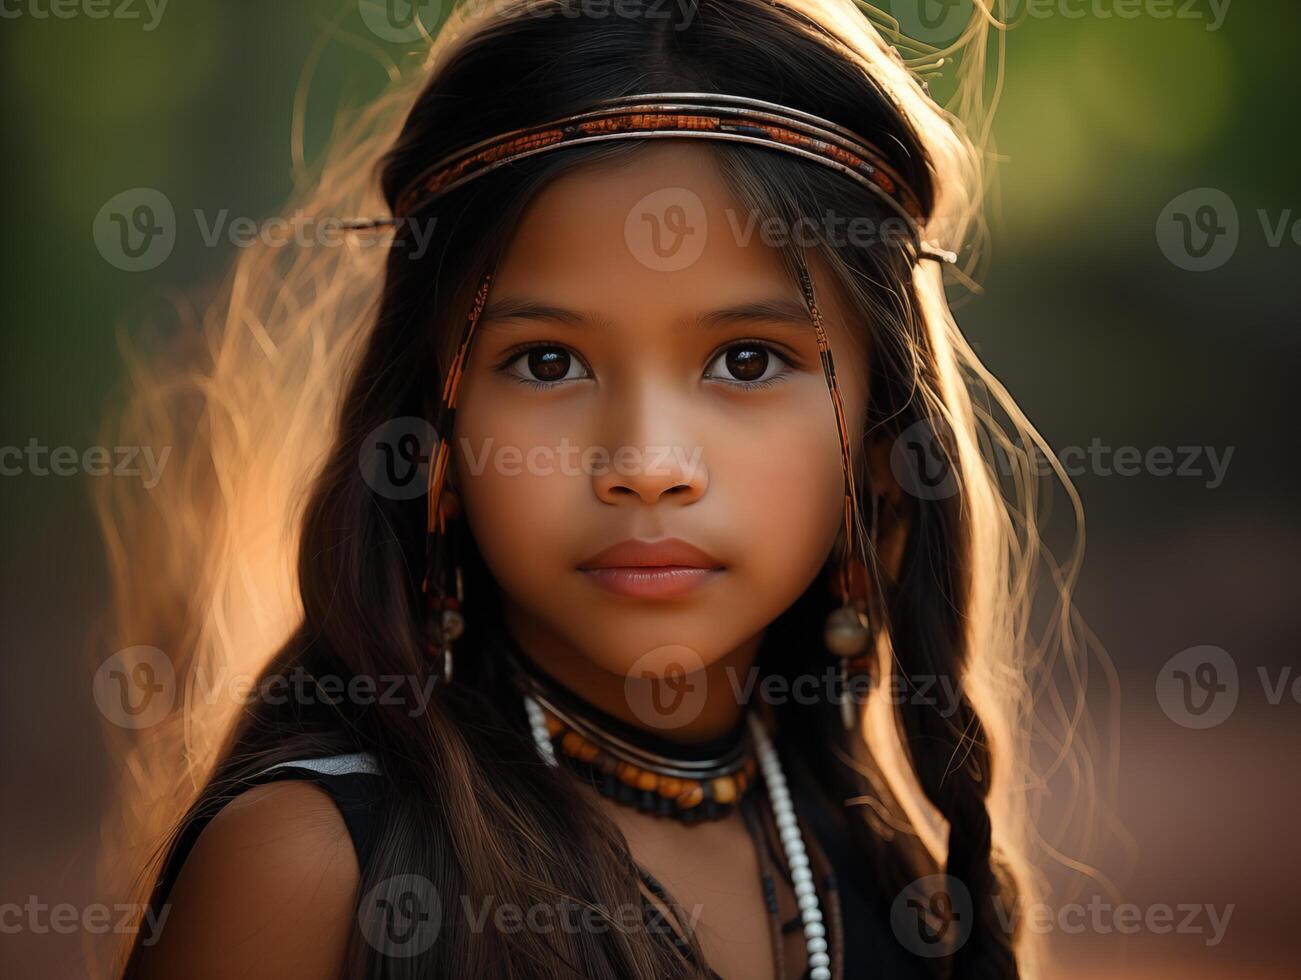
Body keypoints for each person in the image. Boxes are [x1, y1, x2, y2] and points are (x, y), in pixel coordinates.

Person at [101, 2, 1097, 977]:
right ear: (431, 430)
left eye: (745, 360)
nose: (646, 462)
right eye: (544, 363)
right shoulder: (311, 869)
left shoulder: (897, 883)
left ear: (881, 438)